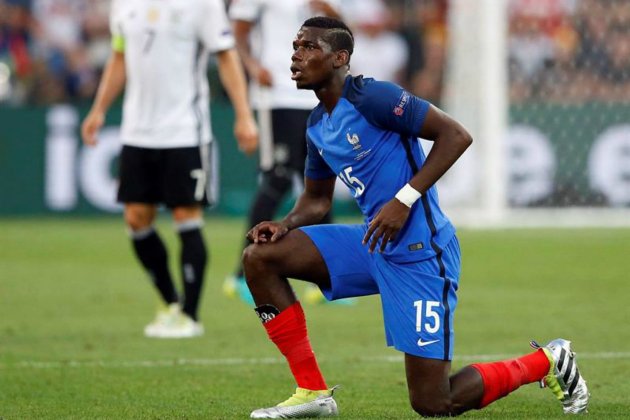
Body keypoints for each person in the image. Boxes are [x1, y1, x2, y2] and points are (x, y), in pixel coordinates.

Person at [241, 17, 589, 418]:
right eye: (295, 47)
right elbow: (316, 201)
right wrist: (284, 224)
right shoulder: (317, 124)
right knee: (260, 258)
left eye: (308, 47)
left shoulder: (374, 97)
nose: (296, 56)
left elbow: (456, 135)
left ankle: (548, 361)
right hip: (372, 244)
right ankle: (311, 392)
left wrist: (403, 199)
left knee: (434, 402)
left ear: (339, 58)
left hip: (420, 253)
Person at [81, 0, 258, 338]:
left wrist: (244, 115)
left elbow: (225, 56)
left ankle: (190, 316)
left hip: (185, 130)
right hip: (136, 130)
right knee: (136, 218)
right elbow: (119, 56)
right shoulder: (123, 5)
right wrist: (99, 108)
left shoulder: (203, 5)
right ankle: (170, 302)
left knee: (186, 216)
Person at [223, 0, 342, 306]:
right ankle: (242, 273)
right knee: (277, 178)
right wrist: (252, 68)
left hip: (317, 95)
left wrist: (327, 8)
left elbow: (342, 32)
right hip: (276, 94)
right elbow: (238, 32)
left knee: (321, 181)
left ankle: (328, 278)